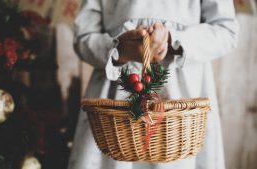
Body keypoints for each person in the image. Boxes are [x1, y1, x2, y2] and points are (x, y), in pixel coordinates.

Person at [68, 0, 238, 169]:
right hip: (115, 104)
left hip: (181, 103)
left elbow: (226, 31)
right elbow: (83, 36)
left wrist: (174, 39)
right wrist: (120, 51)